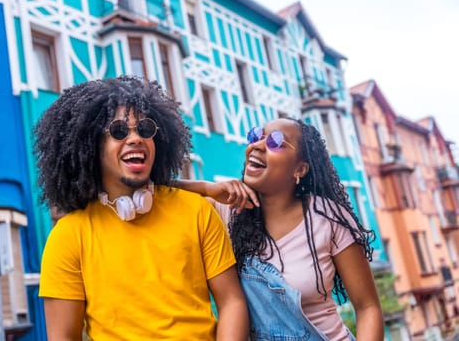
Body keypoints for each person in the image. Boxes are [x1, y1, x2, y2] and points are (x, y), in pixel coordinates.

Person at [34, 76, 249, 340]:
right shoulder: (68, 236)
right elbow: (63, 336)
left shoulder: (196, 210)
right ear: (91, 145)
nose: (135, 138)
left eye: (145, 129)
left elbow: (231, 302)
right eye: (119, 131)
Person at [177, 117, 384, 341]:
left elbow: (368, 308)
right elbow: (156, 189)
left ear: (300, 169)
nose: (257, 145)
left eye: (276, 142)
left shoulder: (328, 218)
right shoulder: (227, 212)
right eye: (256, 136)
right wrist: (209, 188)